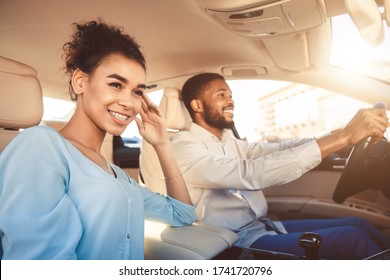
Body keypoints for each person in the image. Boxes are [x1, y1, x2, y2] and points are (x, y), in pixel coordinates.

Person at [0, 20, 195, 260]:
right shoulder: (40, 146)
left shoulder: (117, 175)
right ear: (80, 82)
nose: (128, 102)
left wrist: (162, 143)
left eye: (137, 92)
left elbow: (182, 214)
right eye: (116, 84)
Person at [170, 72, 390, 259]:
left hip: (262, 226)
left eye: (230, 95)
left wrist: (337, 136)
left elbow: (276, 149)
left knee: (357, 224)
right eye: (221, 95)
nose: (231, 101)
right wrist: (343, 138)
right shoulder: (184, 147)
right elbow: (249, 174)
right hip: (234, 244)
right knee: (350, 239)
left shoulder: (228, 140)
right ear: (197, 105)